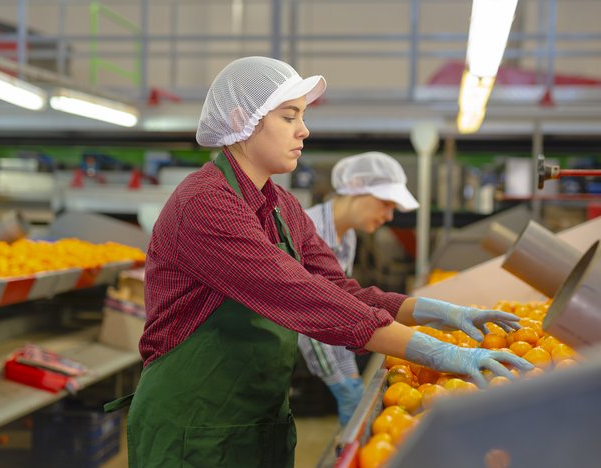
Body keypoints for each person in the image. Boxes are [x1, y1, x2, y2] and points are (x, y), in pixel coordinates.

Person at [106, 56, 532, 468]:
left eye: (302, 116)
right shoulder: (204, 205)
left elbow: (340, 290)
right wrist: (436, 353)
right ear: (240, 121)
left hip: (258, 422)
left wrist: (442, 313)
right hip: (191, 431)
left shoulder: (282, 207)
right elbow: (300, 295)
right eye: (289, 116)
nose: (304, 131)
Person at [298, 151, 419, 426]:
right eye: (385, 204)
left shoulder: (348, 236)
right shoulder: (308, 229)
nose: (389, 216)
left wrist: (349, 373)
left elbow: (340, 308)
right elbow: (309, 319)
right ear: (356, 188)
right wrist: (341, 381)